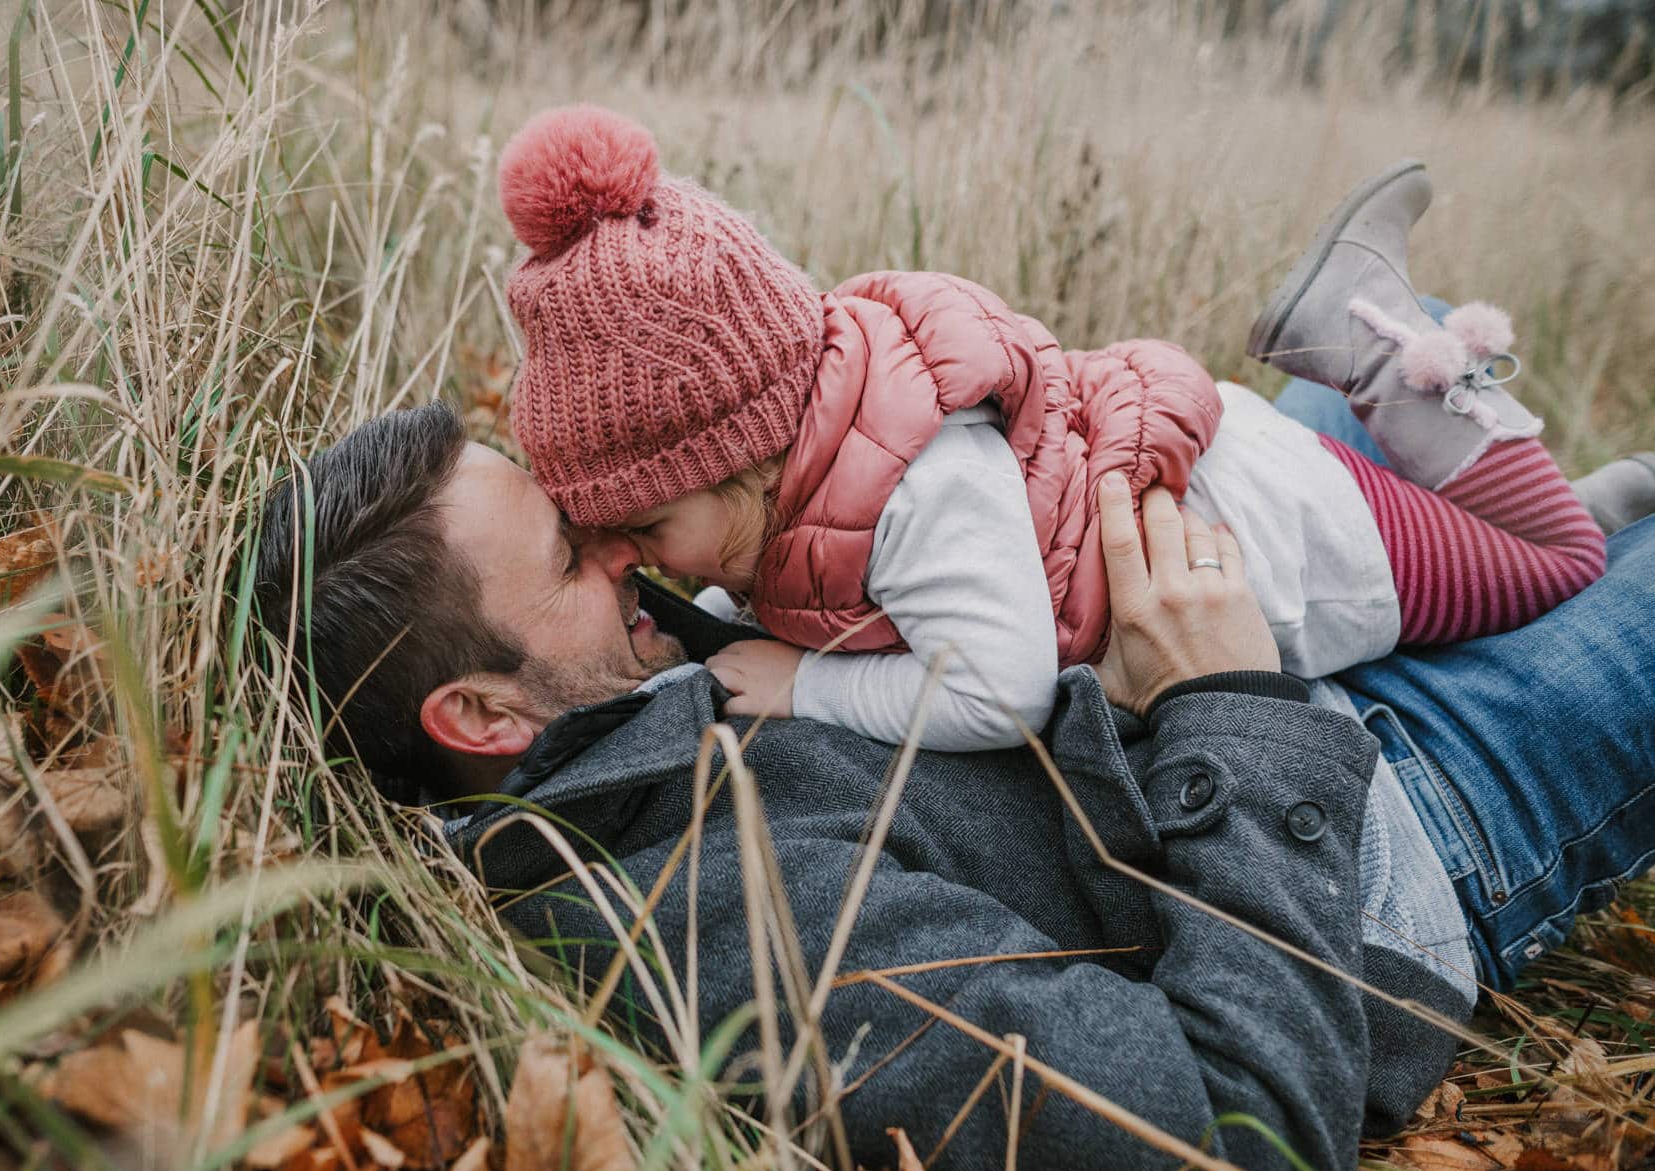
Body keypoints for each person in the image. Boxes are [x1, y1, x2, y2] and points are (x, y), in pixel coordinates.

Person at [250, 384, 1655, 1171]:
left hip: (1185, 665)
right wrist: (1229, 698)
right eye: (570, 553)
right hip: (1374, 824)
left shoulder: (625, 669)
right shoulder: (720, 921)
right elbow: (1231, 1159)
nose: (620, 538)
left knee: (1355, 397)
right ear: (484, 721)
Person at [491, 106, 1629, 752]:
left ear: (744, 456)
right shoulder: (819, 445)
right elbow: (811, 580)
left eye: (647, 520)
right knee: (1507, 548)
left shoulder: (920, 490)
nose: (635, 553)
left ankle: (1379, 347)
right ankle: (1541, 488)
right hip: (1237, 474)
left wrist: (807, 686)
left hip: (1297, 538)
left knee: (1553, 568)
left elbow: (1000, 688)